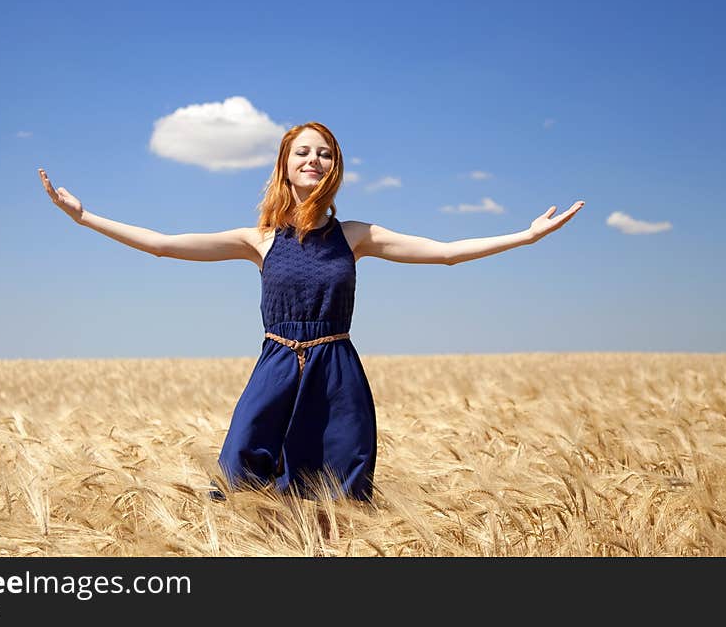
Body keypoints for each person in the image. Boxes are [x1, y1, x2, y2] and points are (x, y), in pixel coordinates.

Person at [38, 122, 584, 504]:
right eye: (302, 152)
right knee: (241, 480)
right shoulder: (258, 240)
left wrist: (526, 237)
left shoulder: (356, 236)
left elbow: (442, 252)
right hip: (275, 369)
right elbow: (162, 244)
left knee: (340, 492)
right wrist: (86, 219)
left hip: (335, 373)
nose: (313, 159)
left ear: (335, 168)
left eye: (324, 153)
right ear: (285, 165)